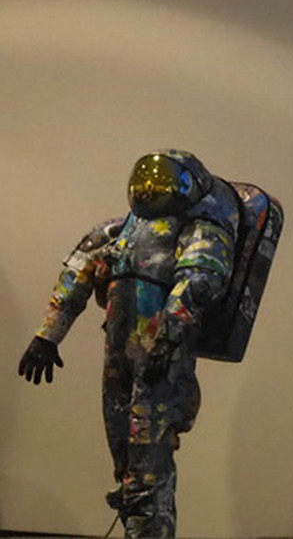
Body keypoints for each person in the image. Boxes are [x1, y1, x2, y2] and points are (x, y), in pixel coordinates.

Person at [17, 149, 255, 538]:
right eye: (146, 180)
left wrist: (170, 336)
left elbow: (198, 282)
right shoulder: (118, 232)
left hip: (161, 365)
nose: (151, 188)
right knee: (126, 455)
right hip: (123, 361)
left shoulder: (200, 232)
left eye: (163, 181)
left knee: (149, 460)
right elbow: (77, 276)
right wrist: (47, 337)